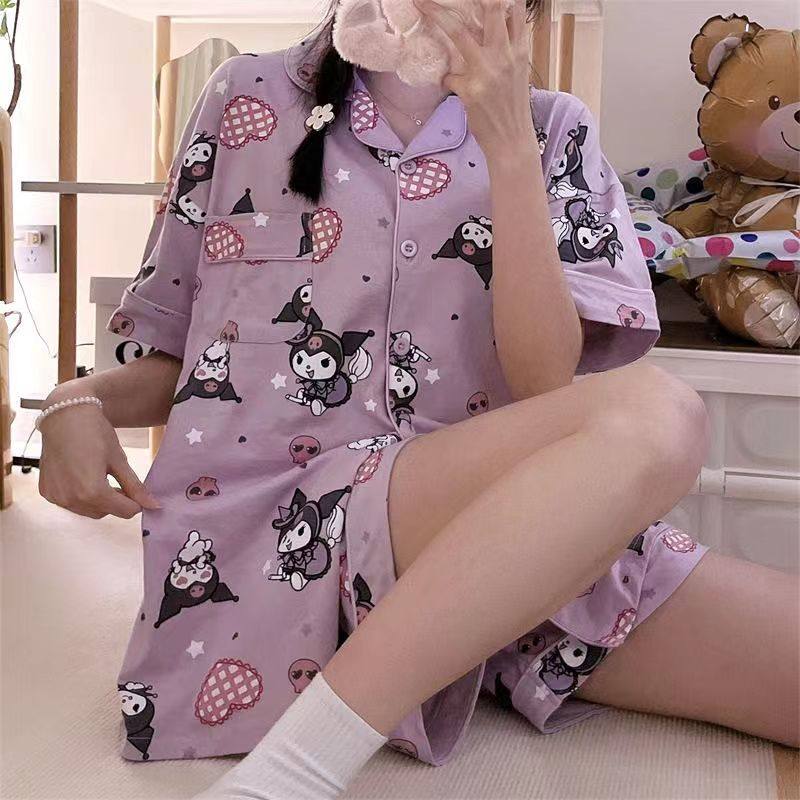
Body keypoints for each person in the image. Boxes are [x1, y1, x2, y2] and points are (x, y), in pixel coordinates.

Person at [37, 0, 799, 798]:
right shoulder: (245, 99)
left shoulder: (555, 131)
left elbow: (544, 386)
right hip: (287, 544)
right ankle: (291, 774)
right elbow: (190, 361)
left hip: (513, 548)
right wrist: (76, 399)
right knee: (660, 413)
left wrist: (509, 144)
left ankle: (405, 678)